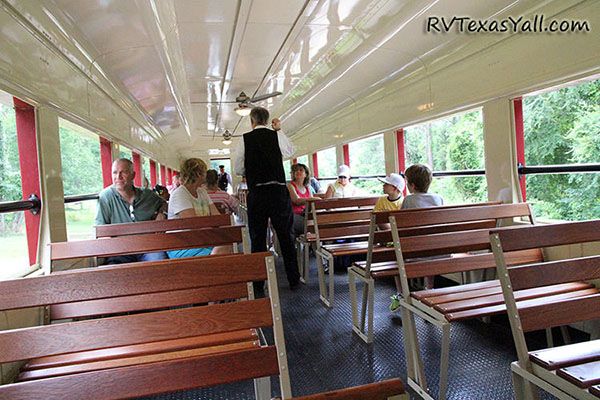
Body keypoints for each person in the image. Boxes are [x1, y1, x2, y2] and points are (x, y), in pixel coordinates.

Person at [233, 107, 300, 293]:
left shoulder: (244, 140)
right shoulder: (276, 136)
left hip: (258, 194)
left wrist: (253, 170)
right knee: (286, 236)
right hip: (278, 192)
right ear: (267, 120)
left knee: (258, 238)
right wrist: (278, 130)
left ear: (251, 121)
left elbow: (239, 168)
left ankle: (258, 284)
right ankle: (293, 279)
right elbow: (289, 151)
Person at [95, 158, 167, 264]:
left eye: (123, 172)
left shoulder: (147, 195)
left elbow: (164, 204)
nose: (118, 177)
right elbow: (101, 230)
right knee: (115, 271)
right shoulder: (105, 197)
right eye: (115, 172)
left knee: (161, 263)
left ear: (133, 175)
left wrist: (162, 213)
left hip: (148, 248)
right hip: (120, 251)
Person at [167, 158, 230, 258]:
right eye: (204, 171)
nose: (206, 174)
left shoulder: (202, 192)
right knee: (222, 249)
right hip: (181, 244)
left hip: (200, 239)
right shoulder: (180, 194)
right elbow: (194, 224)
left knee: (227, 246)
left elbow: (217, 217)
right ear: (198, 174)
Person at [287, 163, 318, 238]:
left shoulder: (307, 187)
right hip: (293, 214)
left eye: (301, 170)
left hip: (305, 214)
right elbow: (296, 200)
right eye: (295, 171)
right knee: (312, 225)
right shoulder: (290, 185)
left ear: (306, 174)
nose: (298, 172)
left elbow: (311, 203)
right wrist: (314, 199)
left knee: (318, 221)